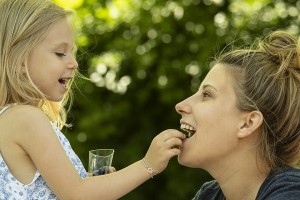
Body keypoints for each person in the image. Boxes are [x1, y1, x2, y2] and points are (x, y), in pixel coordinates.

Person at [0, 0, 186, 199]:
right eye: (60, 53)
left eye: (72, 52)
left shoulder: (10, 117)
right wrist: (148, 165)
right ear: (20, 60)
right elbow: (77, 194)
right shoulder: (27, 118)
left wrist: (95, 181)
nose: (73, 63)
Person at [175, 30, 300, 200]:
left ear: (247, 123)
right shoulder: (208, 195)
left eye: (207, 94)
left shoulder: (292, 193)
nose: (180, 106)